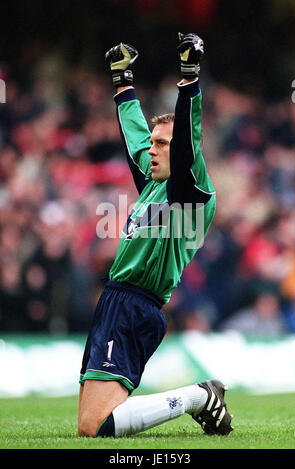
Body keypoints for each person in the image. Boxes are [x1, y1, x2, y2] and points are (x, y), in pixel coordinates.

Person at [78, 33, 233, 438]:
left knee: (95, 427)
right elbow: (134, 141)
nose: (153, 150)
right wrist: (123, 83)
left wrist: (189, 79)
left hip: (134, 306)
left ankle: (198, 396)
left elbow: (185, 143)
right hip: (116, 300)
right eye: (154, 144)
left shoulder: (191, 192)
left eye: (161, 144)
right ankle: (196, 396)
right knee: (91, 423)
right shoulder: (153, 185)